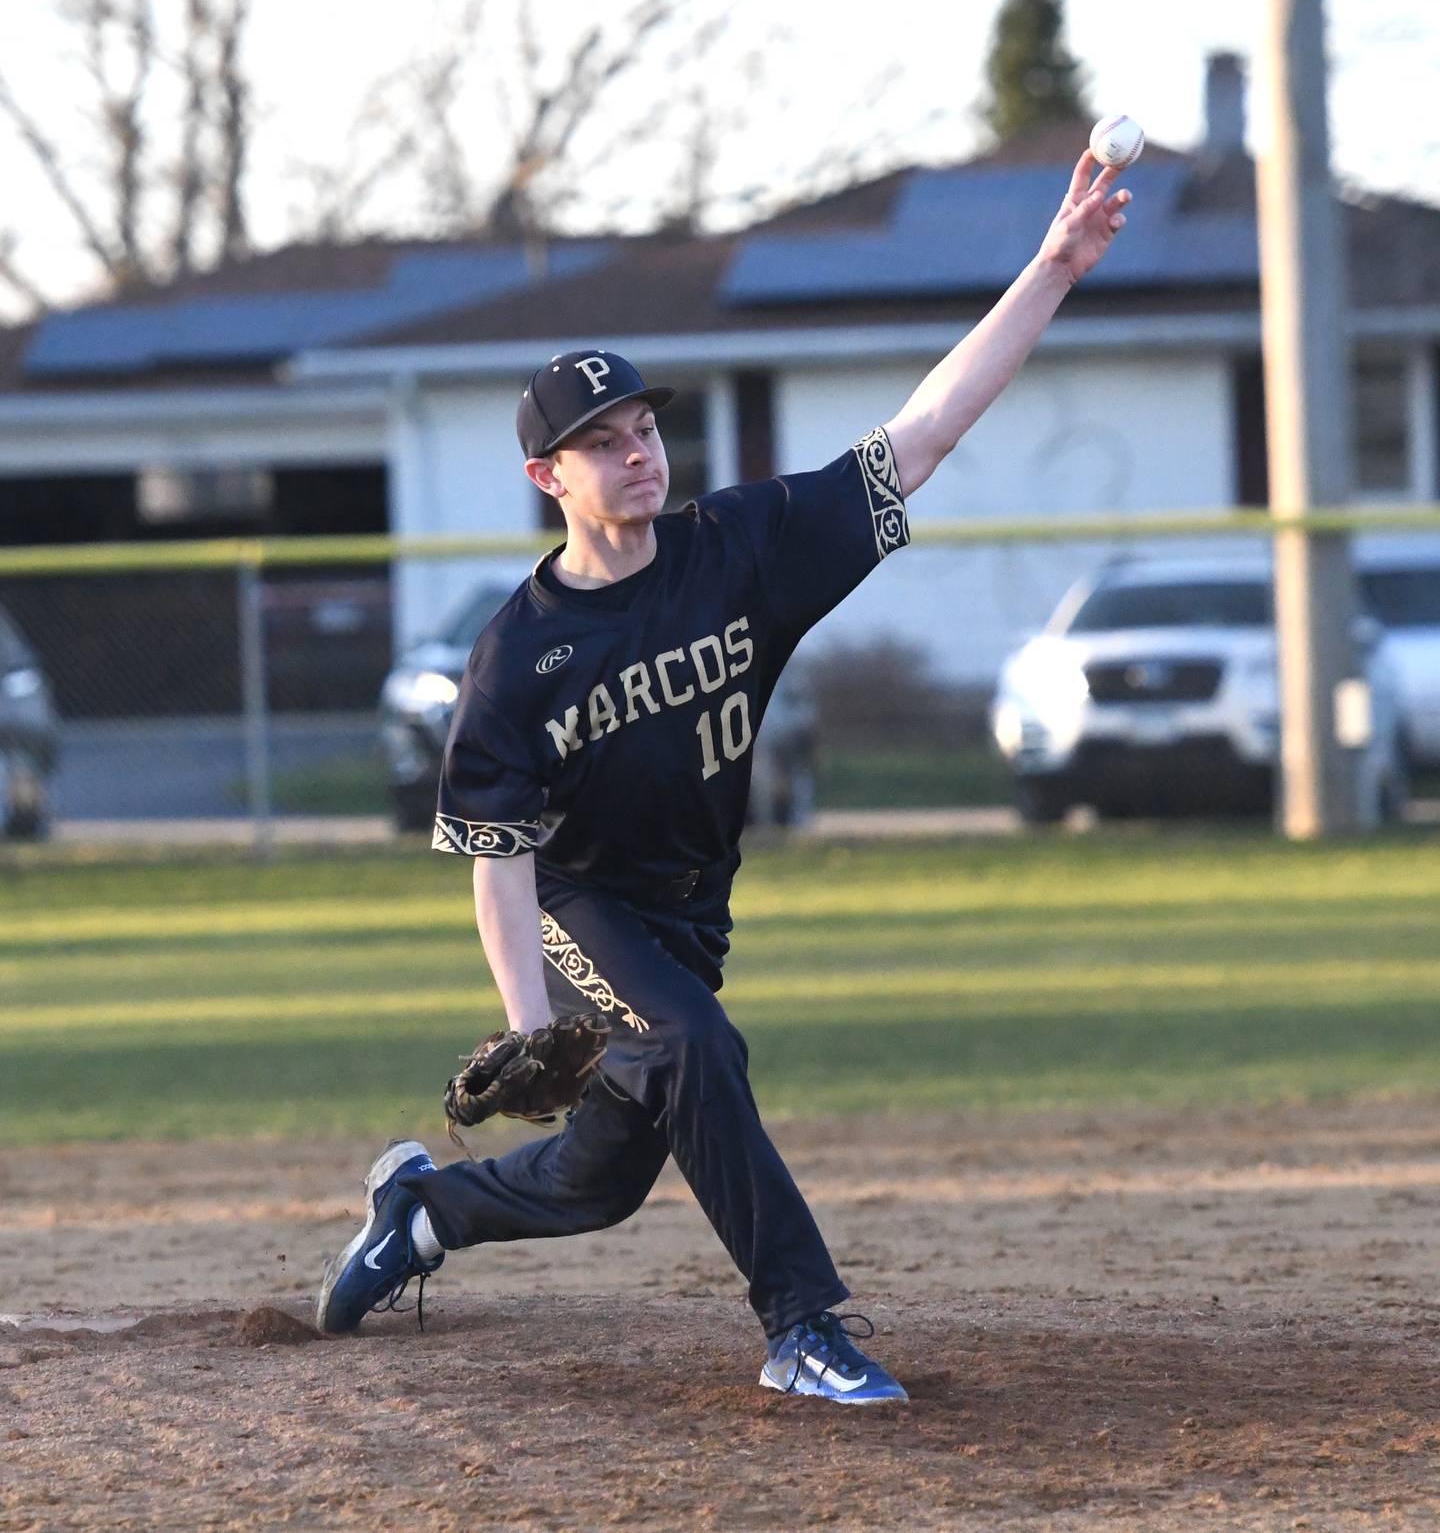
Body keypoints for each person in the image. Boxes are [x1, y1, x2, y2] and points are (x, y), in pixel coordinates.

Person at [316, 151, 1132, 1403]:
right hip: (587, 906)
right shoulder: (517, 656)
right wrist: (534, 1018)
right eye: (602, 442)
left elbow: (922, 433)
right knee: (700, 1042)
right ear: (550, 480)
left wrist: (1053, 268)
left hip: (691, 909)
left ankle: (420, 1210)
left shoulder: (738, 549)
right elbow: (502, 861)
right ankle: (802, 1324)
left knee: (596, 1180)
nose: (638, 452)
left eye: (644, 426)